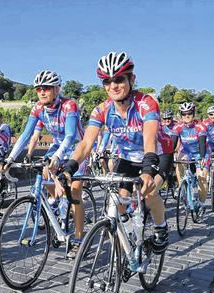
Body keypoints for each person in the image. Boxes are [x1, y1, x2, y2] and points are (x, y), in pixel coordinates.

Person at [58, 51, 168, 254]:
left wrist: (147, 172)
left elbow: (150, 141)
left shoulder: (146, 104)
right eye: (107, 81)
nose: (113, 86)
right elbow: (86, 143)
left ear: (131, 79)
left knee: (150, 192)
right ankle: (129, 241)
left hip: (153, 156)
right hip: (126, 159)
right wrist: (69, 167)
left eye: (118, 79)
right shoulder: (102, 109)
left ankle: (161, 229)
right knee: (117, 202)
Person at [4, 70, 86, 258]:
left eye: (47, 88)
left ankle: (78, 238)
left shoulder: (69, 105)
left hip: (76, 148)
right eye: (38, 88)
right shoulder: (38, 109)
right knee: (45, 171)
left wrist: (57, 157)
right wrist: (10, 158)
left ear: (57, 88)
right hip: (58, 145)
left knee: (74, 192)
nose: (42, 91)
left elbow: (70, 135)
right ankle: (55, 201)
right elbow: (26, 135)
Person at [171, 102, 209, 215]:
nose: (187, 116)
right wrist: (170, 155)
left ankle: (201, 204)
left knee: (201, 177)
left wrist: (202, 158)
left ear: (194, 113)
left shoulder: (200, 126)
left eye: (189, 113)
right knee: (178, 160)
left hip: (200, 152)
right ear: (181, 115)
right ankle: (181, 185)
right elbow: (173, 144)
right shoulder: (178, 126)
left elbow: (202, 144)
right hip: (186, 151)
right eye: (184, 114)